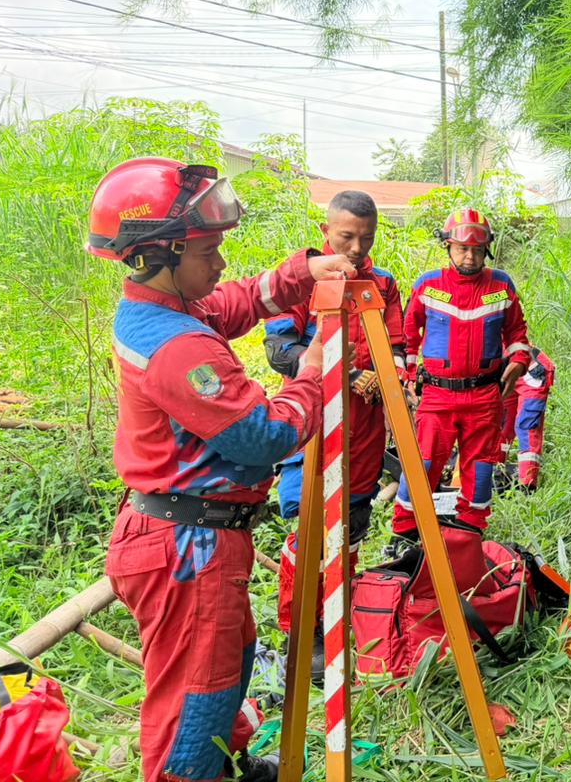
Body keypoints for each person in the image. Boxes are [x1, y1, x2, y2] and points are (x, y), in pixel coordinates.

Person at [87, 157, 354, 782]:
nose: (222, 262)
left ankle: (225, 767)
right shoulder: (177, 347)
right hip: (186, 546)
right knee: (195, 697)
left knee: (228, 662)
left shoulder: (171, 309)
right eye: (209, 250)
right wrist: (312, 371)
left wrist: (300, 273)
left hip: (195, 535)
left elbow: (234, 302)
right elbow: (264, 435)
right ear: (159, 255)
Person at [262, 189, 405, 681]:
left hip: (364, 432)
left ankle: (338, 623)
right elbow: (278, 351)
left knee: (351, 531)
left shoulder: (383, 285)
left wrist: (393, 378)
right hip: (312, 424)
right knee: (307, 533)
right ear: (326, 233)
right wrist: (339, 373)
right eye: (347, 237)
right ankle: (300, 635)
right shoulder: (303, 282)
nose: (356, 247)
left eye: (366, 238)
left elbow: (398, 347)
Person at [393, 208, 529, 535]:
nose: (469, 257)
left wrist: (519, 361)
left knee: (481, 469)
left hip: (485, 396)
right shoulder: (427, 286)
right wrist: (407, 379)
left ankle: (470, 530)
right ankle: (406, 531)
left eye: (477, 250)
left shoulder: (501, 285)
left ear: (487, 251)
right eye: (462, 249)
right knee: (422, 463)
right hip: (438, 395)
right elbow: (409, 338)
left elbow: (517, 334)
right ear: (448, 247)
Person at [498, 345, 554, 491]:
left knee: (526, 428)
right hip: (509, 375)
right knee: (503, 427)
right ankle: (497, 474)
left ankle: (528, 485)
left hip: (532, 376)